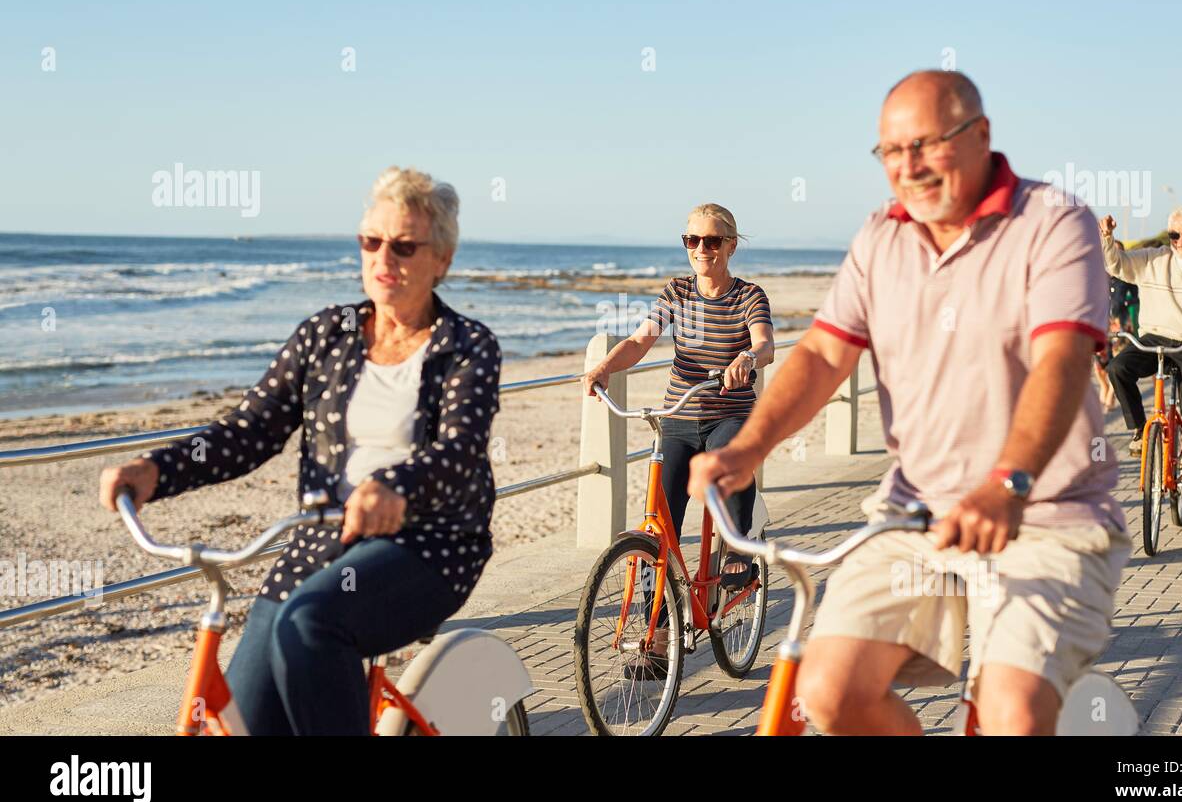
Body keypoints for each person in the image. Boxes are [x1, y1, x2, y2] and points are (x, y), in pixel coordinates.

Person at [688, 70, 1131, 735]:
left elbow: (1062, 362)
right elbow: (820, 354)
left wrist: (1008, 481)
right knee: (829, 690)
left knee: (1011, 712)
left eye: (925, 144)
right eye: (890, 152)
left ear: (981, 135)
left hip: (1046, 517)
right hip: (912, 519)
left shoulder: (1052, 223)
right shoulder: (880, 238)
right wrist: (749, 446)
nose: (908, 167)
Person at [98, 166, 501, 735]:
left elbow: (460, 448)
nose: (384, 257)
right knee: (245, 721)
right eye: (372, 241)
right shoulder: (323, 335)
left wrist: (395, 488)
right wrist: (155, 470)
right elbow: (248, 430)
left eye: (405, 246)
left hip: (430, 545)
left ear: (443, 260)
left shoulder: (468, 346)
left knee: (312, 622)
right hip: (320, 541)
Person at [582, 203, 774, 676]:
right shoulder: (677, 291)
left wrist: (748, 358)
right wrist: (605, 367)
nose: (701, 249)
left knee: (730, 460)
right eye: (692, 240)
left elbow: (765, 342)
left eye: (711, 241)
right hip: (678, 416)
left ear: (730, 244)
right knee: (657, 527)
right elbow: (641, 341)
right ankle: (658, 634)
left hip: (728, 411)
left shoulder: (749, 295)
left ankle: (738, 550)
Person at [1100, 206, 1182, 521]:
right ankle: (1137, 431)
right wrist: (1107, 237)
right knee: (1119, 369)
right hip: (1154, 337)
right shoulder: (1154, 258)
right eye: (1175, 235)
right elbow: (1116, 264)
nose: (1180, 242)